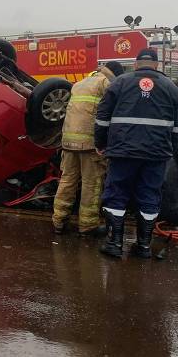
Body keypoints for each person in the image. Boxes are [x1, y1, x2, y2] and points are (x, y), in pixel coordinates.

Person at [94, 49, 178, 258]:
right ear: (157, 65)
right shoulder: (171, 87)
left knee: (117, 193)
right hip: (156, 154)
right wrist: (170, 148)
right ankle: (143, 246)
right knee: (149, 196)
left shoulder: (120, 83)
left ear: (135, 64)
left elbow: (102, 118)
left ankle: (115, 244)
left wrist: (101, 143)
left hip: (122, 151)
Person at [52, 61, 125, 236]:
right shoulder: (107, 84)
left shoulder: (79, 83)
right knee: (91, 184)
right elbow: (111, 114)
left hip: (69, 142)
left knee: (67, 181)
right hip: (89, 144)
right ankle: (88, 225)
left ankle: (58, 221)